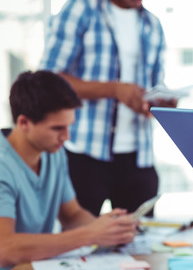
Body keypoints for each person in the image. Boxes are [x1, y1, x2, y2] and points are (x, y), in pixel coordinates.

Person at [39, 0, 177, 216]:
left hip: (138, 157)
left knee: (140, 246)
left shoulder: (152, 24)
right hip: (85, 154)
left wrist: (158, 102)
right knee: (78, 244)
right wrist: (114, 90)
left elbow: (153, 85)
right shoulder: (79, 10)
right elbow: (48, 80)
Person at [0, 71, 138, 269]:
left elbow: (71, 214)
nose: (67, 137)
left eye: (69, 126)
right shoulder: (3, 165)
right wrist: (91, 234)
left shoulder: (53, 153)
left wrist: (109, 230)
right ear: (23, 123)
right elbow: (4, 249)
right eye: (57, 128)